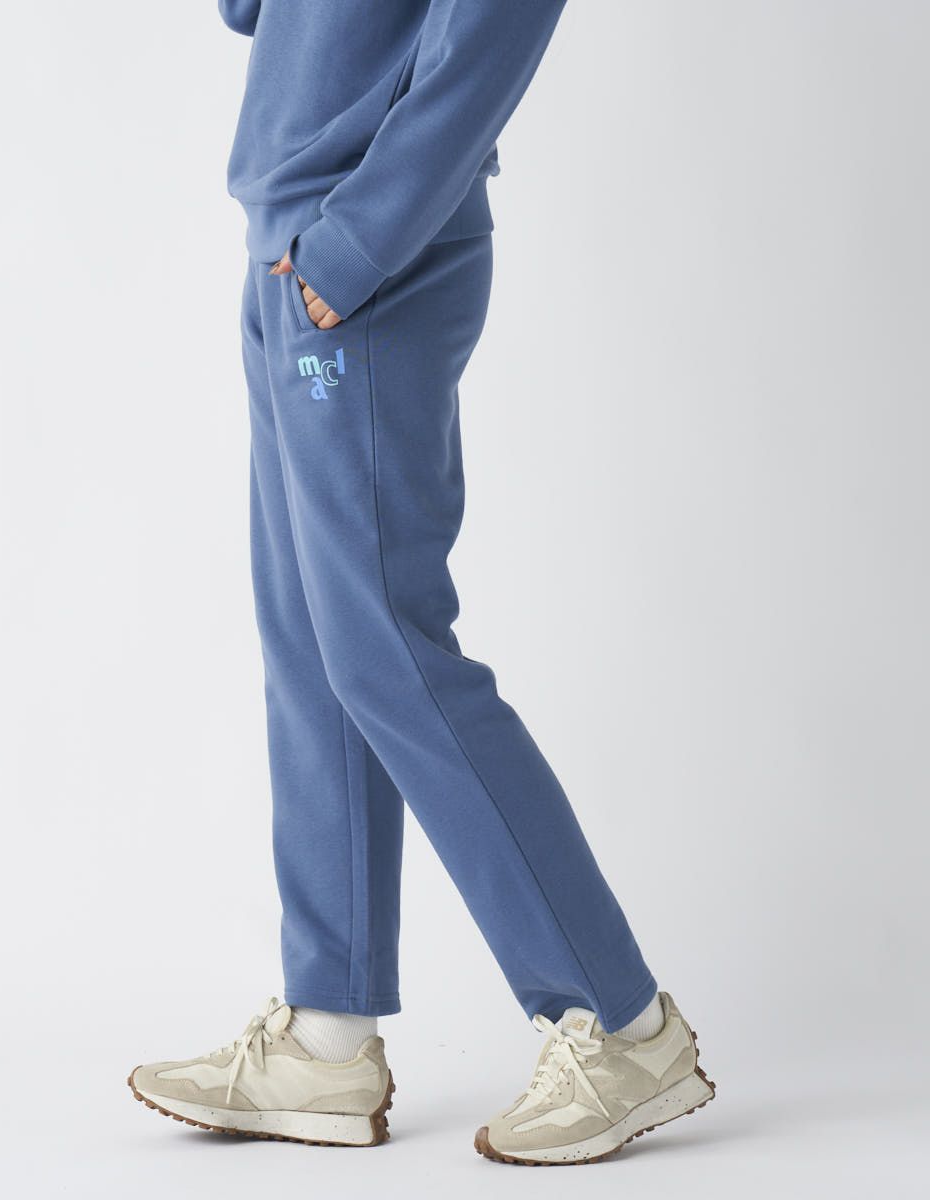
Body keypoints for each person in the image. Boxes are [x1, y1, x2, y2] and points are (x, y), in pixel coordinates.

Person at [128, 0, 715, 1165]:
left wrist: (357, 243)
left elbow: (497, 22)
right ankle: (325, 1037)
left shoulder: (359, 251)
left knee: (386, 653)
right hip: (287, 248)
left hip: (365, 261)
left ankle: (622, 1026)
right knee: (314, 650)